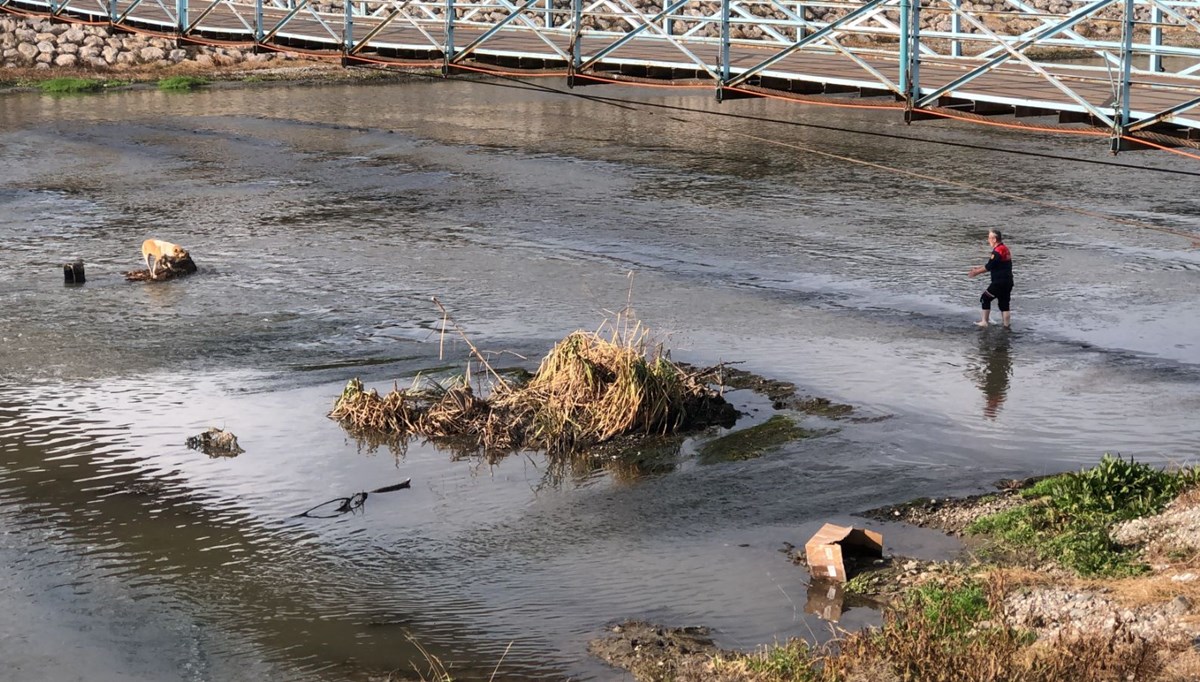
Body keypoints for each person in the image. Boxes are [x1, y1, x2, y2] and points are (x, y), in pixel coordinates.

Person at [968, 229, 1013, 328]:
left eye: (989, 238)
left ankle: (984, 322)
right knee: (1004, 304)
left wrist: (976, 272)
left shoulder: (997, 251)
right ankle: (1006, 326)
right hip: (1008, 281)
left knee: (985, 298)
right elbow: (994, 265)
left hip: (999, 282)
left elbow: (990, 266)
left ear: (994, 239)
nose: (988, 240)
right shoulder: (1005, 248)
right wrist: (979, 268)